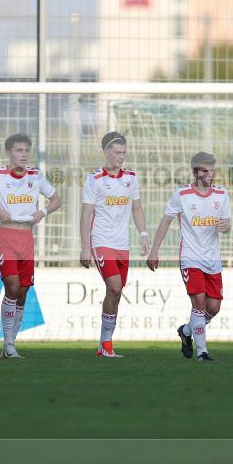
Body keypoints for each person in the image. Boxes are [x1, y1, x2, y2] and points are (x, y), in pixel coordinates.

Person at [0, 133, 61, 358]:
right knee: (13, 288)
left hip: (27, 238)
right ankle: (7, 343)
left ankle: (11, 343)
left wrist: (42, 212)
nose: (23, 154)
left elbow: (57, 199)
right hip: (5, 236)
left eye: (26, 150)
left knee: (23, 292)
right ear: (8, 152)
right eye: (19, 150)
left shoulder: (35, 176)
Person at [148, 152, 231, 362]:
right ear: (195, 172)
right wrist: (154, 250)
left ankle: (186, 331)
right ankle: (202, 352)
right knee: (199, 303)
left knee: (214, 308)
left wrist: (225, 226)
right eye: (205, 170)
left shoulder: (221, 194)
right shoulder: (182, 194)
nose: (209, 174)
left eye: (212, 170)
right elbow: (166, 221)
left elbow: (227, 224)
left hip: (212, 259)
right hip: (190, 257)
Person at [80, 132, 149, 358]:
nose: (121, 157)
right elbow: (86, 214)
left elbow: (136, 208)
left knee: (116, 293)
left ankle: (103, 344)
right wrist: (85, 247)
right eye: (117, 153)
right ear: (106, 152)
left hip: (123, 245)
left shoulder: (131, 177)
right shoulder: (94, 179)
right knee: (115, 287)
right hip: (102, 242)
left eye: (124, 153)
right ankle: (107, 344)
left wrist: (144, 234)